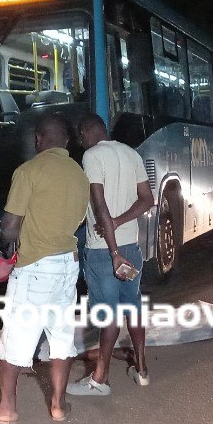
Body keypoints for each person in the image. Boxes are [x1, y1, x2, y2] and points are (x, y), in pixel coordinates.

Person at [0, 114, 89, 424]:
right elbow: (79, 219)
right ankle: (58, 405)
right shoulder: (79, 174)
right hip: (68, 265)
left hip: (35, 267)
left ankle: (7, 408)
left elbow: (10, 226)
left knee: (14, 341)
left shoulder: (29, 171)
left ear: (38, 139)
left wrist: (8, 242)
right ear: (66, 141)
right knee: (61, 338)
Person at [67, 114, 154, 397]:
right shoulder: (131, 154)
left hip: (105, 252)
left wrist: (113, 250)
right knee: (133, 307)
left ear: (84, 132)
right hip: (132, 249)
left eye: (79, 137)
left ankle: (100, 379)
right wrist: (118, 222)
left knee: (109, 315)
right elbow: (147, 200)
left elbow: (99, 202)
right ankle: (142, 368)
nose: (80, 142)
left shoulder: (91, 156)